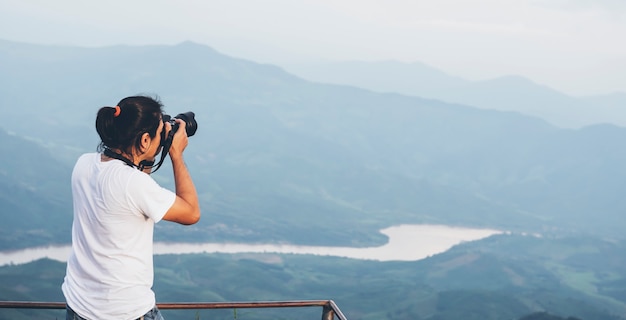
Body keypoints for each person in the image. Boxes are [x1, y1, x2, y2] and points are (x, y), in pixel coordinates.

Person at [62, 95, 201, 320]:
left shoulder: (84, 164)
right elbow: (191, 212)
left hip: (79, 306)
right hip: (125, 312)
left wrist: (149, 151)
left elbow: (130, 177)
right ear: (145, 140)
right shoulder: (133, 184)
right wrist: (175, 154)